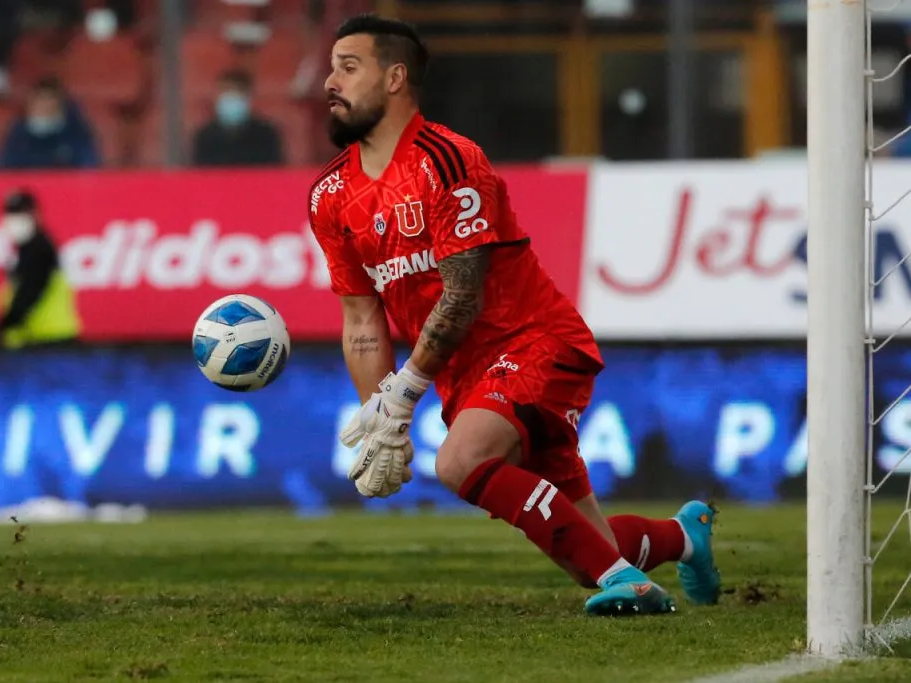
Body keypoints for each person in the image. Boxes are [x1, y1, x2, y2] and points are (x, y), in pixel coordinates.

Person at [307, 14, 722, 616]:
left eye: (349, 67)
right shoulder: (329, 196)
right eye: (331, 67)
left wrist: (405, 393)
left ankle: (632, 586)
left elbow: (463, 294)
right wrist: (380, 418)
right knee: (589, 550)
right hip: (467, 378)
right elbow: (361, 318)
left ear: (396, 78)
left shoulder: (447, 161)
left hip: (535, 343)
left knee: (460, 461)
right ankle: (685, 538)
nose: (329, 82)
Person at [0, 189, 81, 350]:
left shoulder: (39, 249)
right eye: (10, 214)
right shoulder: (26, 249)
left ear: (35, 215)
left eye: (19, 214)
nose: (13, 220)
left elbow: (28, 293)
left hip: (49, 340)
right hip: (39, 337)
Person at [0, 77, 101, 170]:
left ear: (60, 108)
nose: (42, 111)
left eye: (48, 108)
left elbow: (89, 170)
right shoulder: (18, 135)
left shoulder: (77, 134)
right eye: (38, 107)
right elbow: (2, 172)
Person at [192, 69, 284, 167]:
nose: (232, 101)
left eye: (237, 95)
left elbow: (275, 173)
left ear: (249, 99)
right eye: (227, 94)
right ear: (217, 97)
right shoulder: (205, 136)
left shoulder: (266, 134)